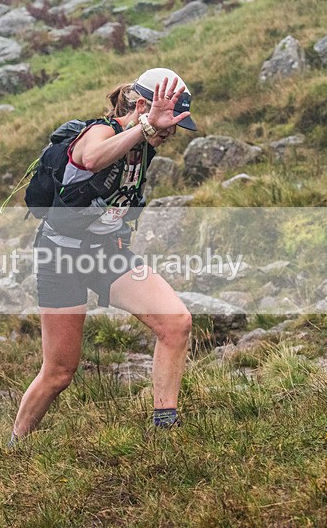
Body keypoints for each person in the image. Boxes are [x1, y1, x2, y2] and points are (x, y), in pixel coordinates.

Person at [11, 68, 196, 442]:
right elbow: (92, 159)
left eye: (176, 123)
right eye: (168, 119)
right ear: (141, 106)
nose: (171, 131)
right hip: (61, 256)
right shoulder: (100, 131)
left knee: (176, 323)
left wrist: (147, 133)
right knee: (60, 372)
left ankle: (166, 429)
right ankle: (16, 445)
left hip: (108, 253)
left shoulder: (144, 146)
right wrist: (146, 128)